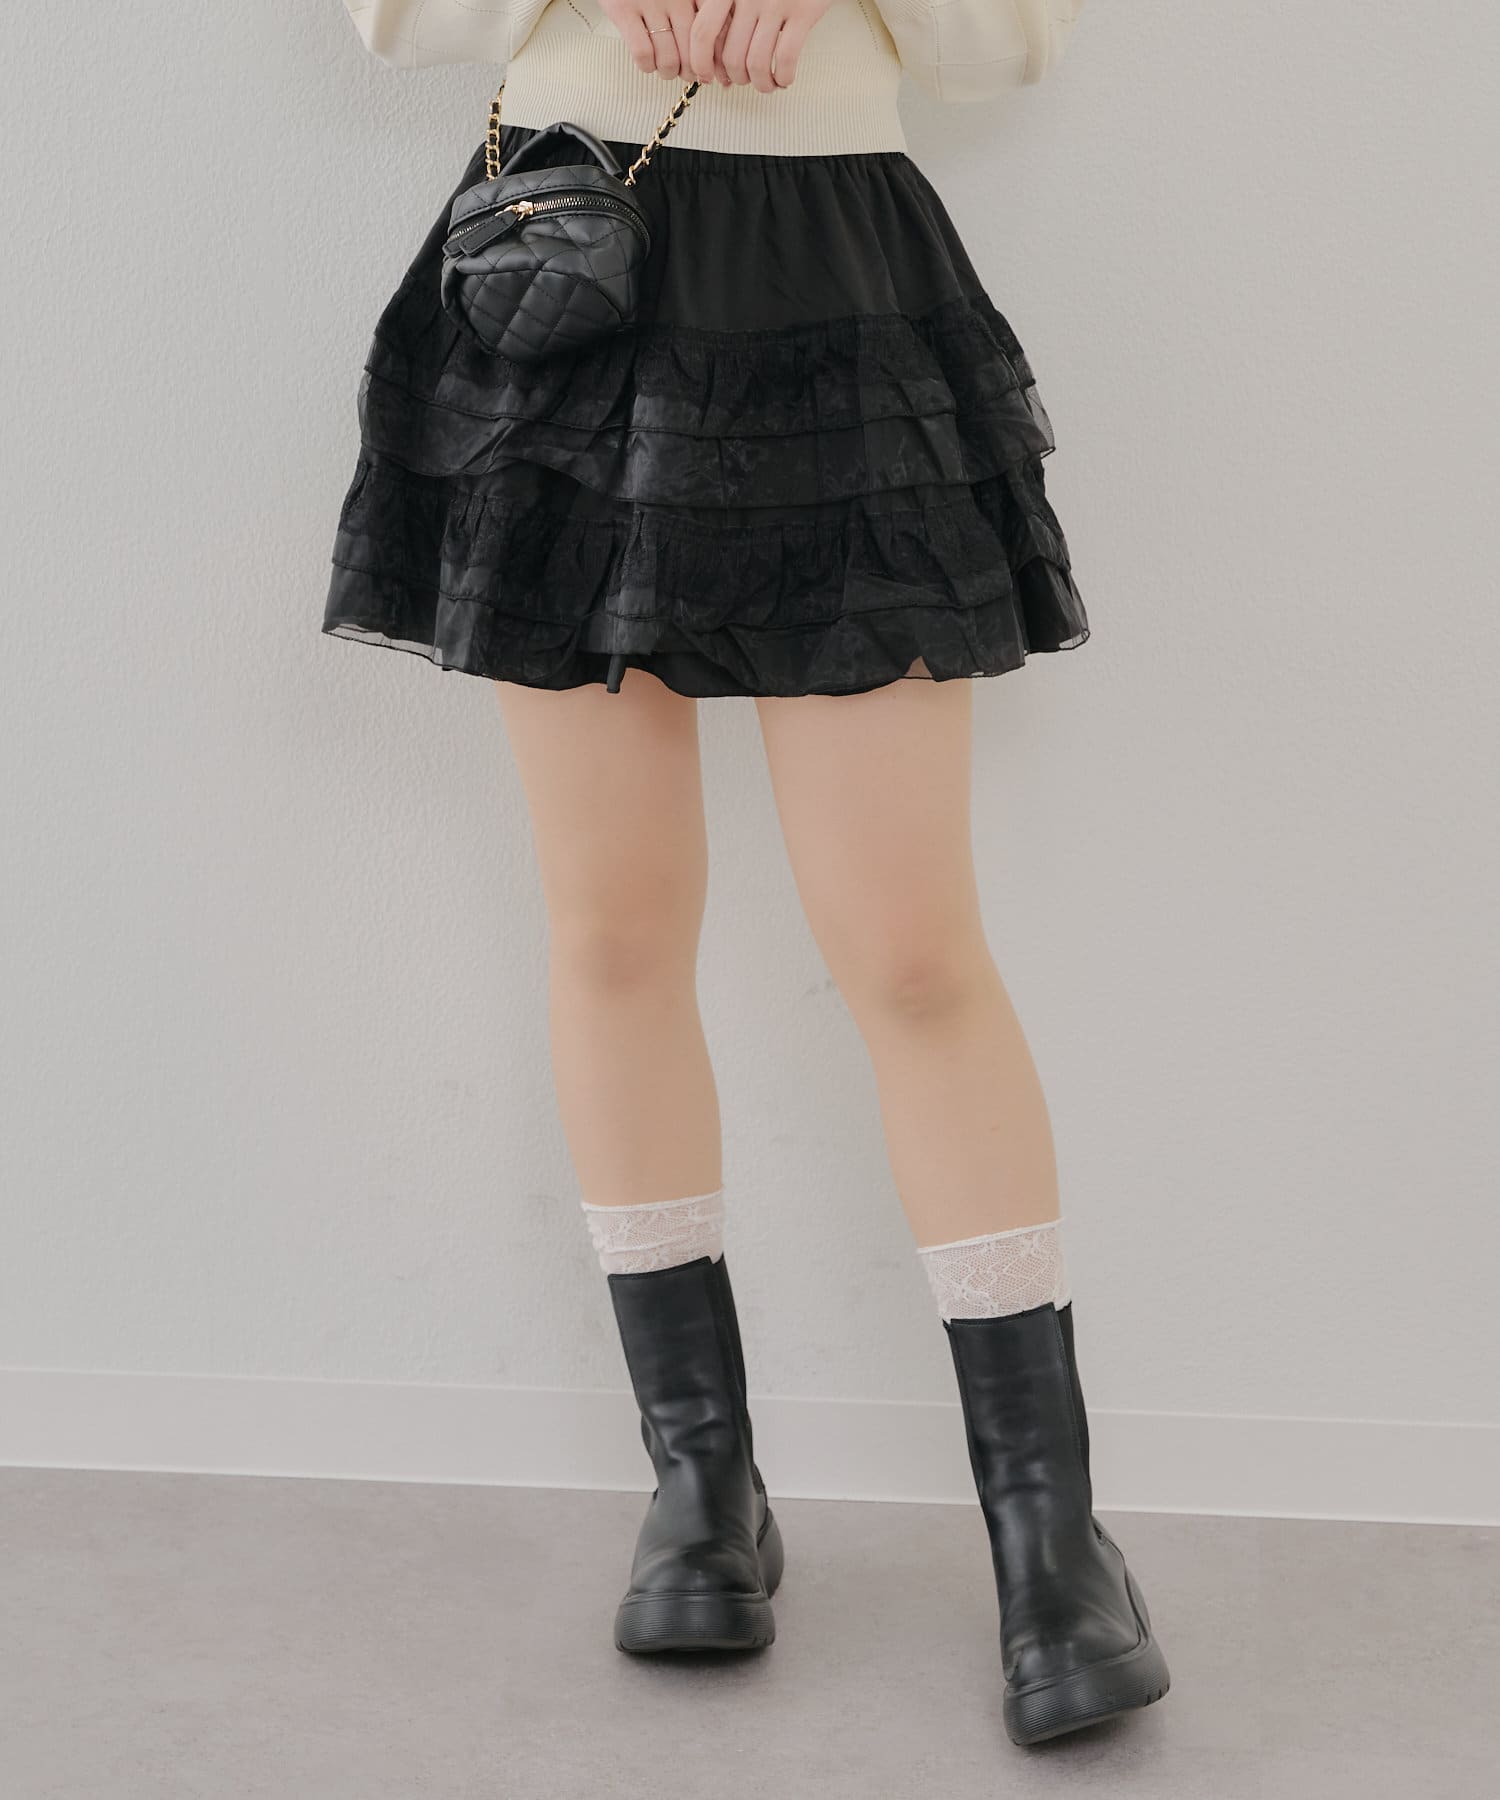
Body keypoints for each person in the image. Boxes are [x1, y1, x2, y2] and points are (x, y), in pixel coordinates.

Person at [327, 0, 1168, 1746]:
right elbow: (392, 20)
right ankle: (703, 1487)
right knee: (615, 929)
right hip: (569, 257)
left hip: (838, 286)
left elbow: (1009, 42)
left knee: (911, 949)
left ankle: (1050, 1537)